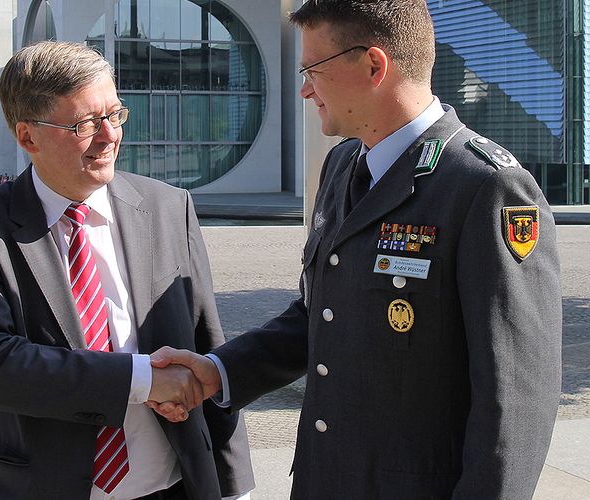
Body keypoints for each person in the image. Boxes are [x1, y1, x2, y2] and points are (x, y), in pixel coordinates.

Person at [150, 1, 562, 498]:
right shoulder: (345, 164)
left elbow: (516, 400)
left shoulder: (483, 187)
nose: (304, 88)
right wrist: (220, 371)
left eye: (313, 70)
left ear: (373, 65)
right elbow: (321, 314)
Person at [0, 41, 254, 500]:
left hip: (172, 486)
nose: (109, 136)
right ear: (28, 137)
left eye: (115, 114)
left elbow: (207, 347)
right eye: (84, 124)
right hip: (38, 487)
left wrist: (232, 485)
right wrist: (142, 380)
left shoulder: (169, 208)